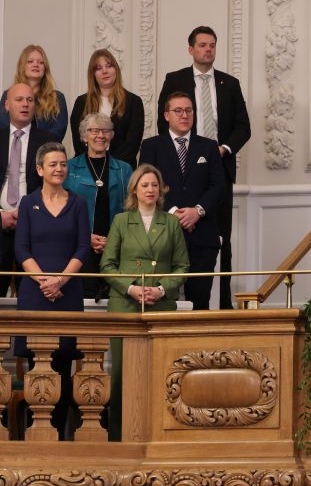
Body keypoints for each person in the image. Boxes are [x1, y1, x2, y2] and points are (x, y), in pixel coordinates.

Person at [157, 26, 250, 309]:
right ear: (191, 49)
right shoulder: (175, 79)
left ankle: (222, 303)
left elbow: (243, 127)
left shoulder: (229, 83)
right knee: (176, 240)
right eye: (202, 45)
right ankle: (177, 302)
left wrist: (220, 150)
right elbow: (165, 125)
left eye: (212, 45)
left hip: (218, 169)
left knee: (221, 238)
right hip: (181, 171)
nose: (208, 50)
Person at [101, 164, 189, 440]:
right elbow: (107, 265)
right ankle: (118, 437)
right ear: (134, 190)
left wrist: (162, 290)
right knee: (123, 376)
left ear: (160, 189)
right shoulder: (120, 221)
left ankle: (160, 435)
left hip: (160, 306)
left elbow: (183, 267)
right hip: (125, 306)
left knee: (161, 375)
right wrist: (131, 289)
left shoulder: (171, 222)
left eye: (154, 185)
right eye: (144, 185)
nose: (150, 190)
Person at [14, 142, 90, 438]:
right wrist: (45, 281)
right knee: (38, 365)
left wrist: (61, 280)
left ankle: (59, 435)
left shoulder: (79, 202)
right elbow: (21, 249)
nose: (59, 169)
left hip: (68, 292)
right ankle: (37, 433)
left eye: (62, 164)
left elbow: (83, 247)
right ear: (39, 169)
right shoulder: (27, 203)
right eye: (53, 164)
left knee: (64, 363)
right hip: (35, 292)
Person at [139, 92, 224, 310]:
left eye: (188, 110)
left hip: (202, 237)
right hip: (163, 235)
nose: (184, 115)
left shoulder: (208, 147)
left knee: (200, 302)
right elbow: (146, 185)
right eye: (178, 111)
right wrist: (175, 212)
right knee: (164, 301)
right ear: (166, 115)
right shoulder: (151, 146)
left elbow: (219, 187)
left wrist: (197, 211)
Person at [64, 113, 133, 300]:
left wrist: (113, 239)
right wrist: (86, 237)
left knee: (116, 301)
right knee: (84, 301)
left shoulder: (124, 169)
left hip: (116, 247)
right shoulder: (68, 169)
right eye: (94, 131)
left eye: (106, 131)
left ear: (111, 136)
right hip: (79, 246)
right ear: (84, 136)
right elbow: (62, 212)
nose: (100, 135)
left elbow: (132, 211)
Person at [1, 83, 58, 296]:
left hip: (35, 222)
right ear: (7, 105)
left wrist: (27, 212)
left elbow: (55, 184)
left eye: (30, 100)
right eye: (19, 100)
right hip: (1, 220)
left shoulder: (48, 140)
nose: (25, 104)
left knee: (31, 292)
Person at [69, 50, 145, 167]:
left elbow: (132, 144)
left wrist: (110, 167)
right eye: (98, 68)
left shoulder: (133, 102)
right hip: (87, 169)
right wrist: (94, 165)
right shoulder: (81, 102)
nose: (105, 71)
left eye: (109, 66)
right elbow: (79, 141)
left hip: (121, 170)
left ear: (116, 70)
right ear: (93, 74)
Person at [0, 45, 69, 141]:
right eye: (30, 61)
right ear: (22, 66)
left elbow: (58, 133)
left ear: (45, 68)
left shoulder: (58, 98)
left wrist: (32, 145)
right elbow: (3, 127)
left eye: (41, 62)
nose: (36, 65)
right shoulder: (8, 94)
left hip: (46, 152)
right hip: (15, 150)